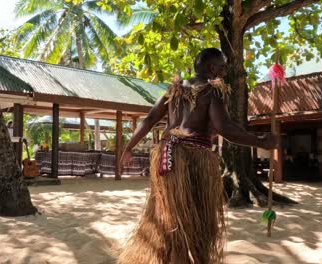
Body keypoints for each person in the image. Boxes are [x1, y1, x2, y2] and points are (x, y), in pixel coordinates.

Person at [117, 48, 278, 264]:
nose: (223, 71)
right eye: (222, 67)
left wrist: (129, 147)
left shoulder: (173, 90)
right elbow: (225, 128)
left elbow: (149, 119)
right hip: (194, 160)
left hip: (168, 156)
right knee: (195, 218)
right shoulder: (212, 92)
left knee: (169, 214)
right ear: (211, 68)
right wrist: (260, 141)